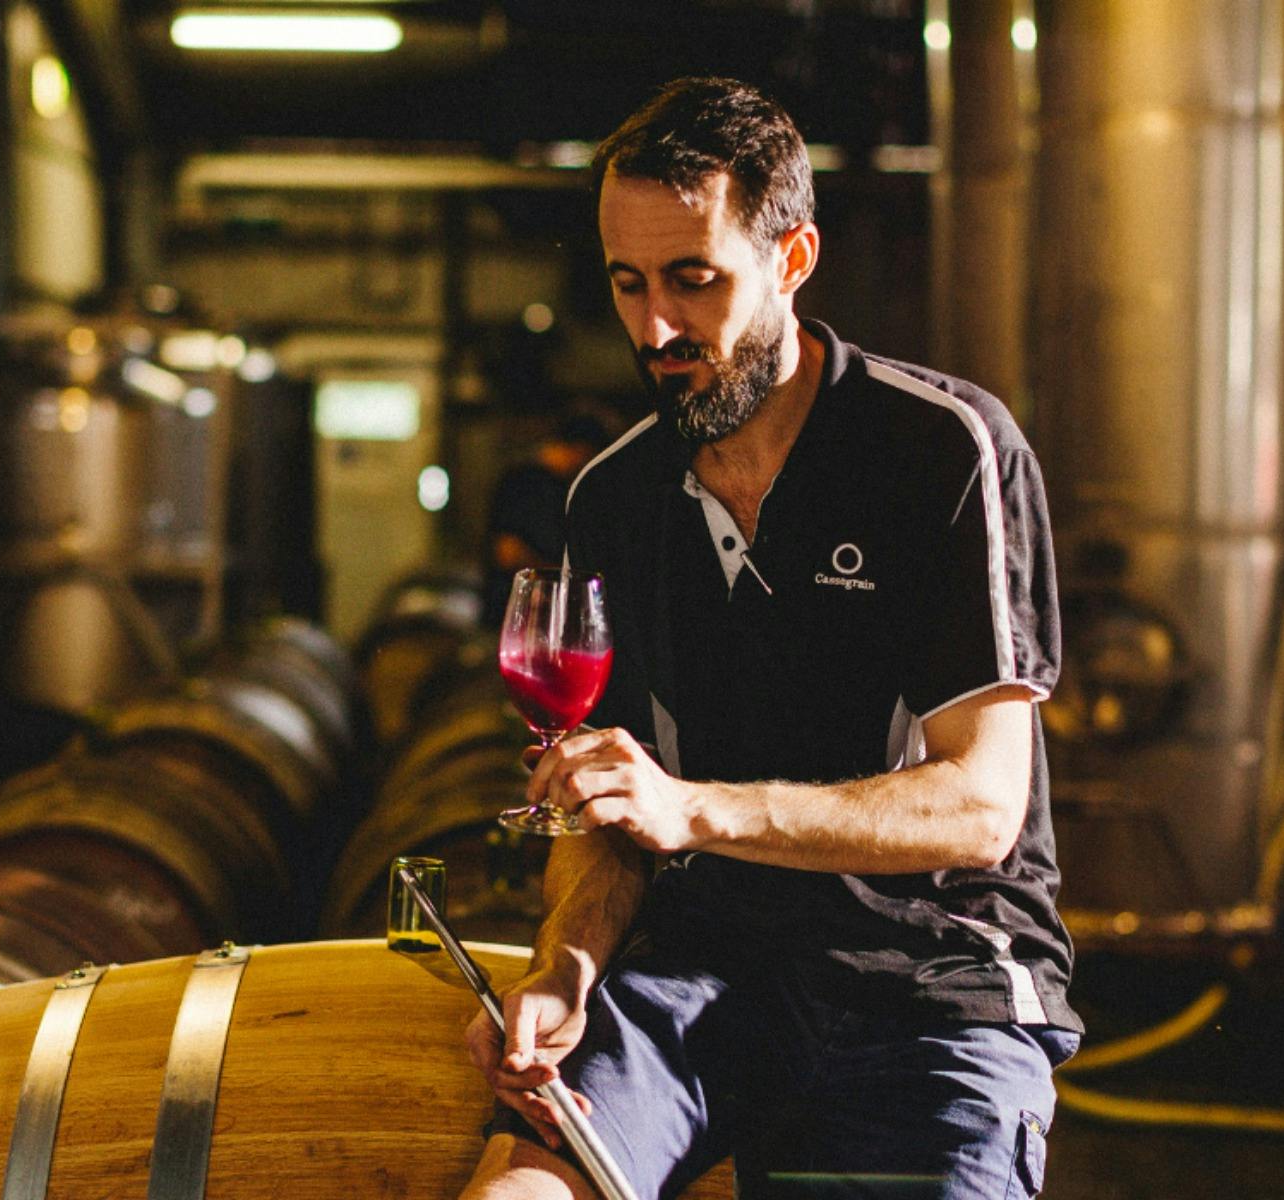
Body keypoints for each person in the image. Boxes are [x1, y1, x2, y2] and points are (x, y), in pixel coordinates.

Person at [460, 76, 1082, 1200]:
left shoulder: (940, 452)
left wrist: (694, 808)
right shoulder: (613, 498)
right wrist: (565, 964)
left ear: (793, 260)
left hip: (929, 987)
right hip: (702, 984)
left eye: (694, 282)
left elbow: (980, 809)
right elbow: (611, 815)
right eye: (628, 284)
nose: (654, 329)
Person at [482, 413, 612, 625]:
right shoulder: (522, 482)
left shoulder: (563, 488)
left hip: (542, 617)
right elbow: (507, 551)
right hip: (512, 616)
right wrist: (561, 580)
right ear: (579, 450)